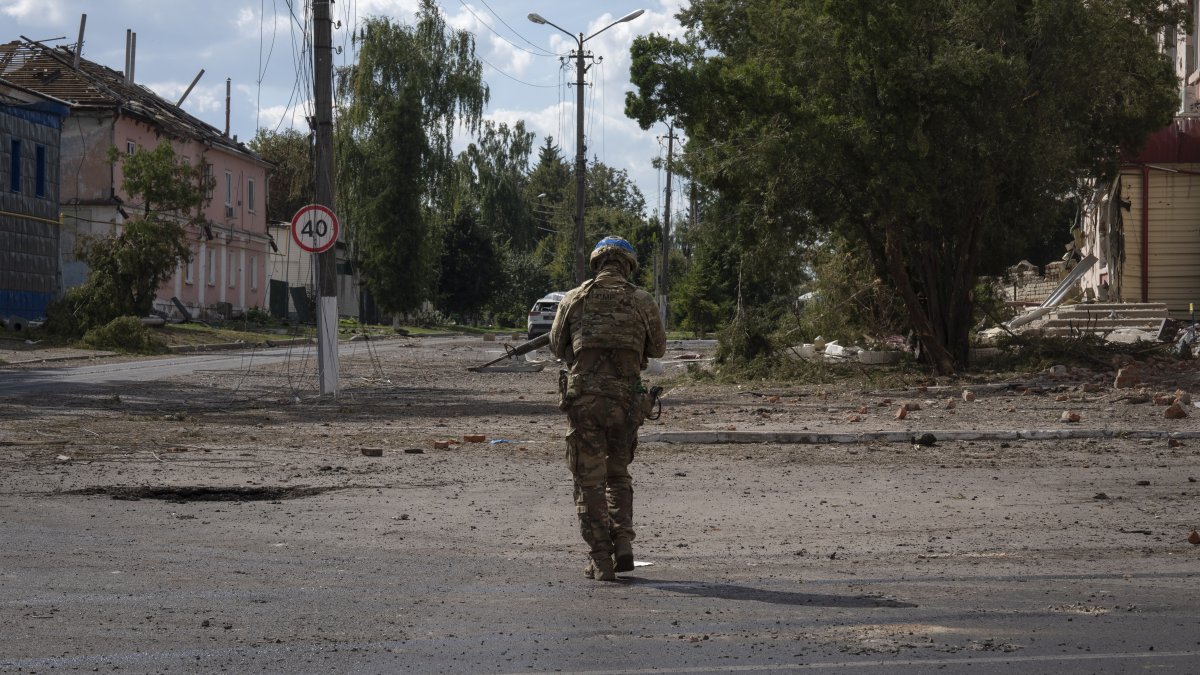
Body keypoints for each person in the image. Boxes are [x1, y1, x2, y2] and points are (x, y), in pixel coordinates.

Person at [549, 236, 667, 581]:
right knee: (617, 473)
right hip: (626, 403)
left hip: (585, 402)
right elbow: (658, 348)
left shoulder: (575, 298)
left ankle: (601, 557)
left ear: (597, 263)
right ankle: (624, 541)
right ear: (628, 265)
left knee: (589, 480)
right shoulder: (641, 301)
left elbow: (557, 345)